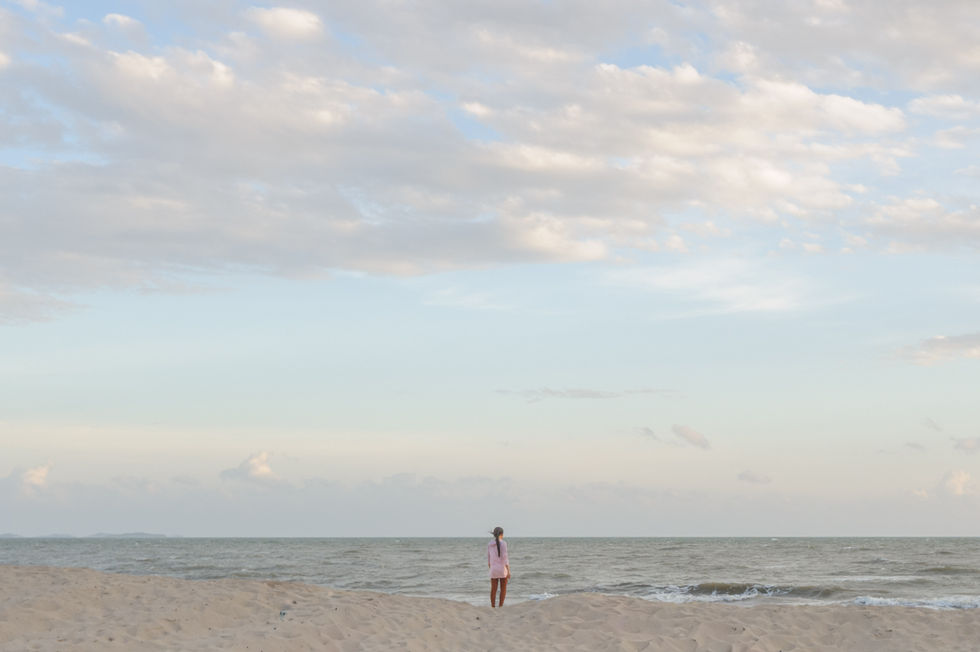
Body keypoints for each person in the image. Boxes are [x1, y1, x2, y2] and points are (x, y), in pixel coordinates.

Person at [487, 526, 510, 607]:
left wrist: (491, 569)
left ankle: (493, 606)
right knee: (503, 589)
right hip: (502, 569)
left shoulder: (489, 544)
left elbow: (489, 559)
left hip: (493, 569)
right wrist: (508, 571)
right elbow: (505, 558)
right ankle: (500, 606)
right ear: (501, 534)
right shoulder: (504, 543)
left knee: (493, 589)